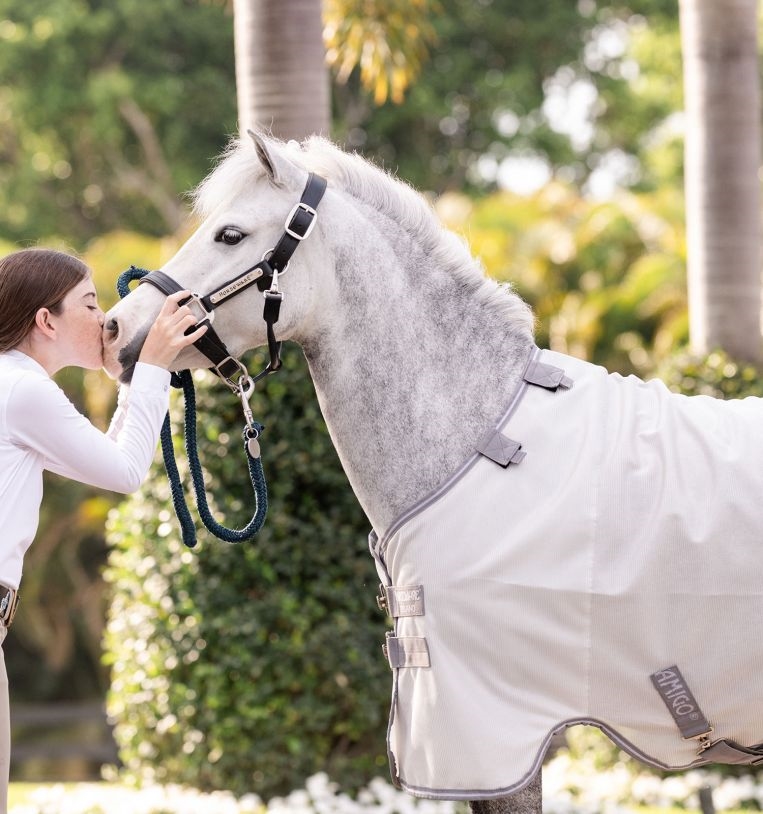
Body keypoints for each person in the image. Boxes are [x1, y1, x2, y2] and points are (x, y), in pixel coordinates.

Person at [0, 247, 206, 811]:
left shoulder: (13, 385)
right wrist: (155, 365)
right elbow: (126, 471)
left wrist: (138, 373)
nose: (104, 318)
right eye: (90, 304)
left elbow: (108, 457)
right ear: (46, 321)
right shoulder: (23, 390)